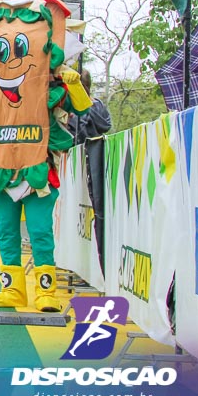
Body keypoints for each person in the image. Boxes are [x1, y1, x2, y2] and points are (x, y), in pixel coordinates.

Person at [68, 70, 112, 272]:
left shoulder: (95, 105)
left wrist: (86, 106)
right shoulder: (69, 107)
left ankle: (99, 264)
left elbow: (105, 126)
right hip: (74, 167)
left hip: (94, 163)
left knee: (97, 213)